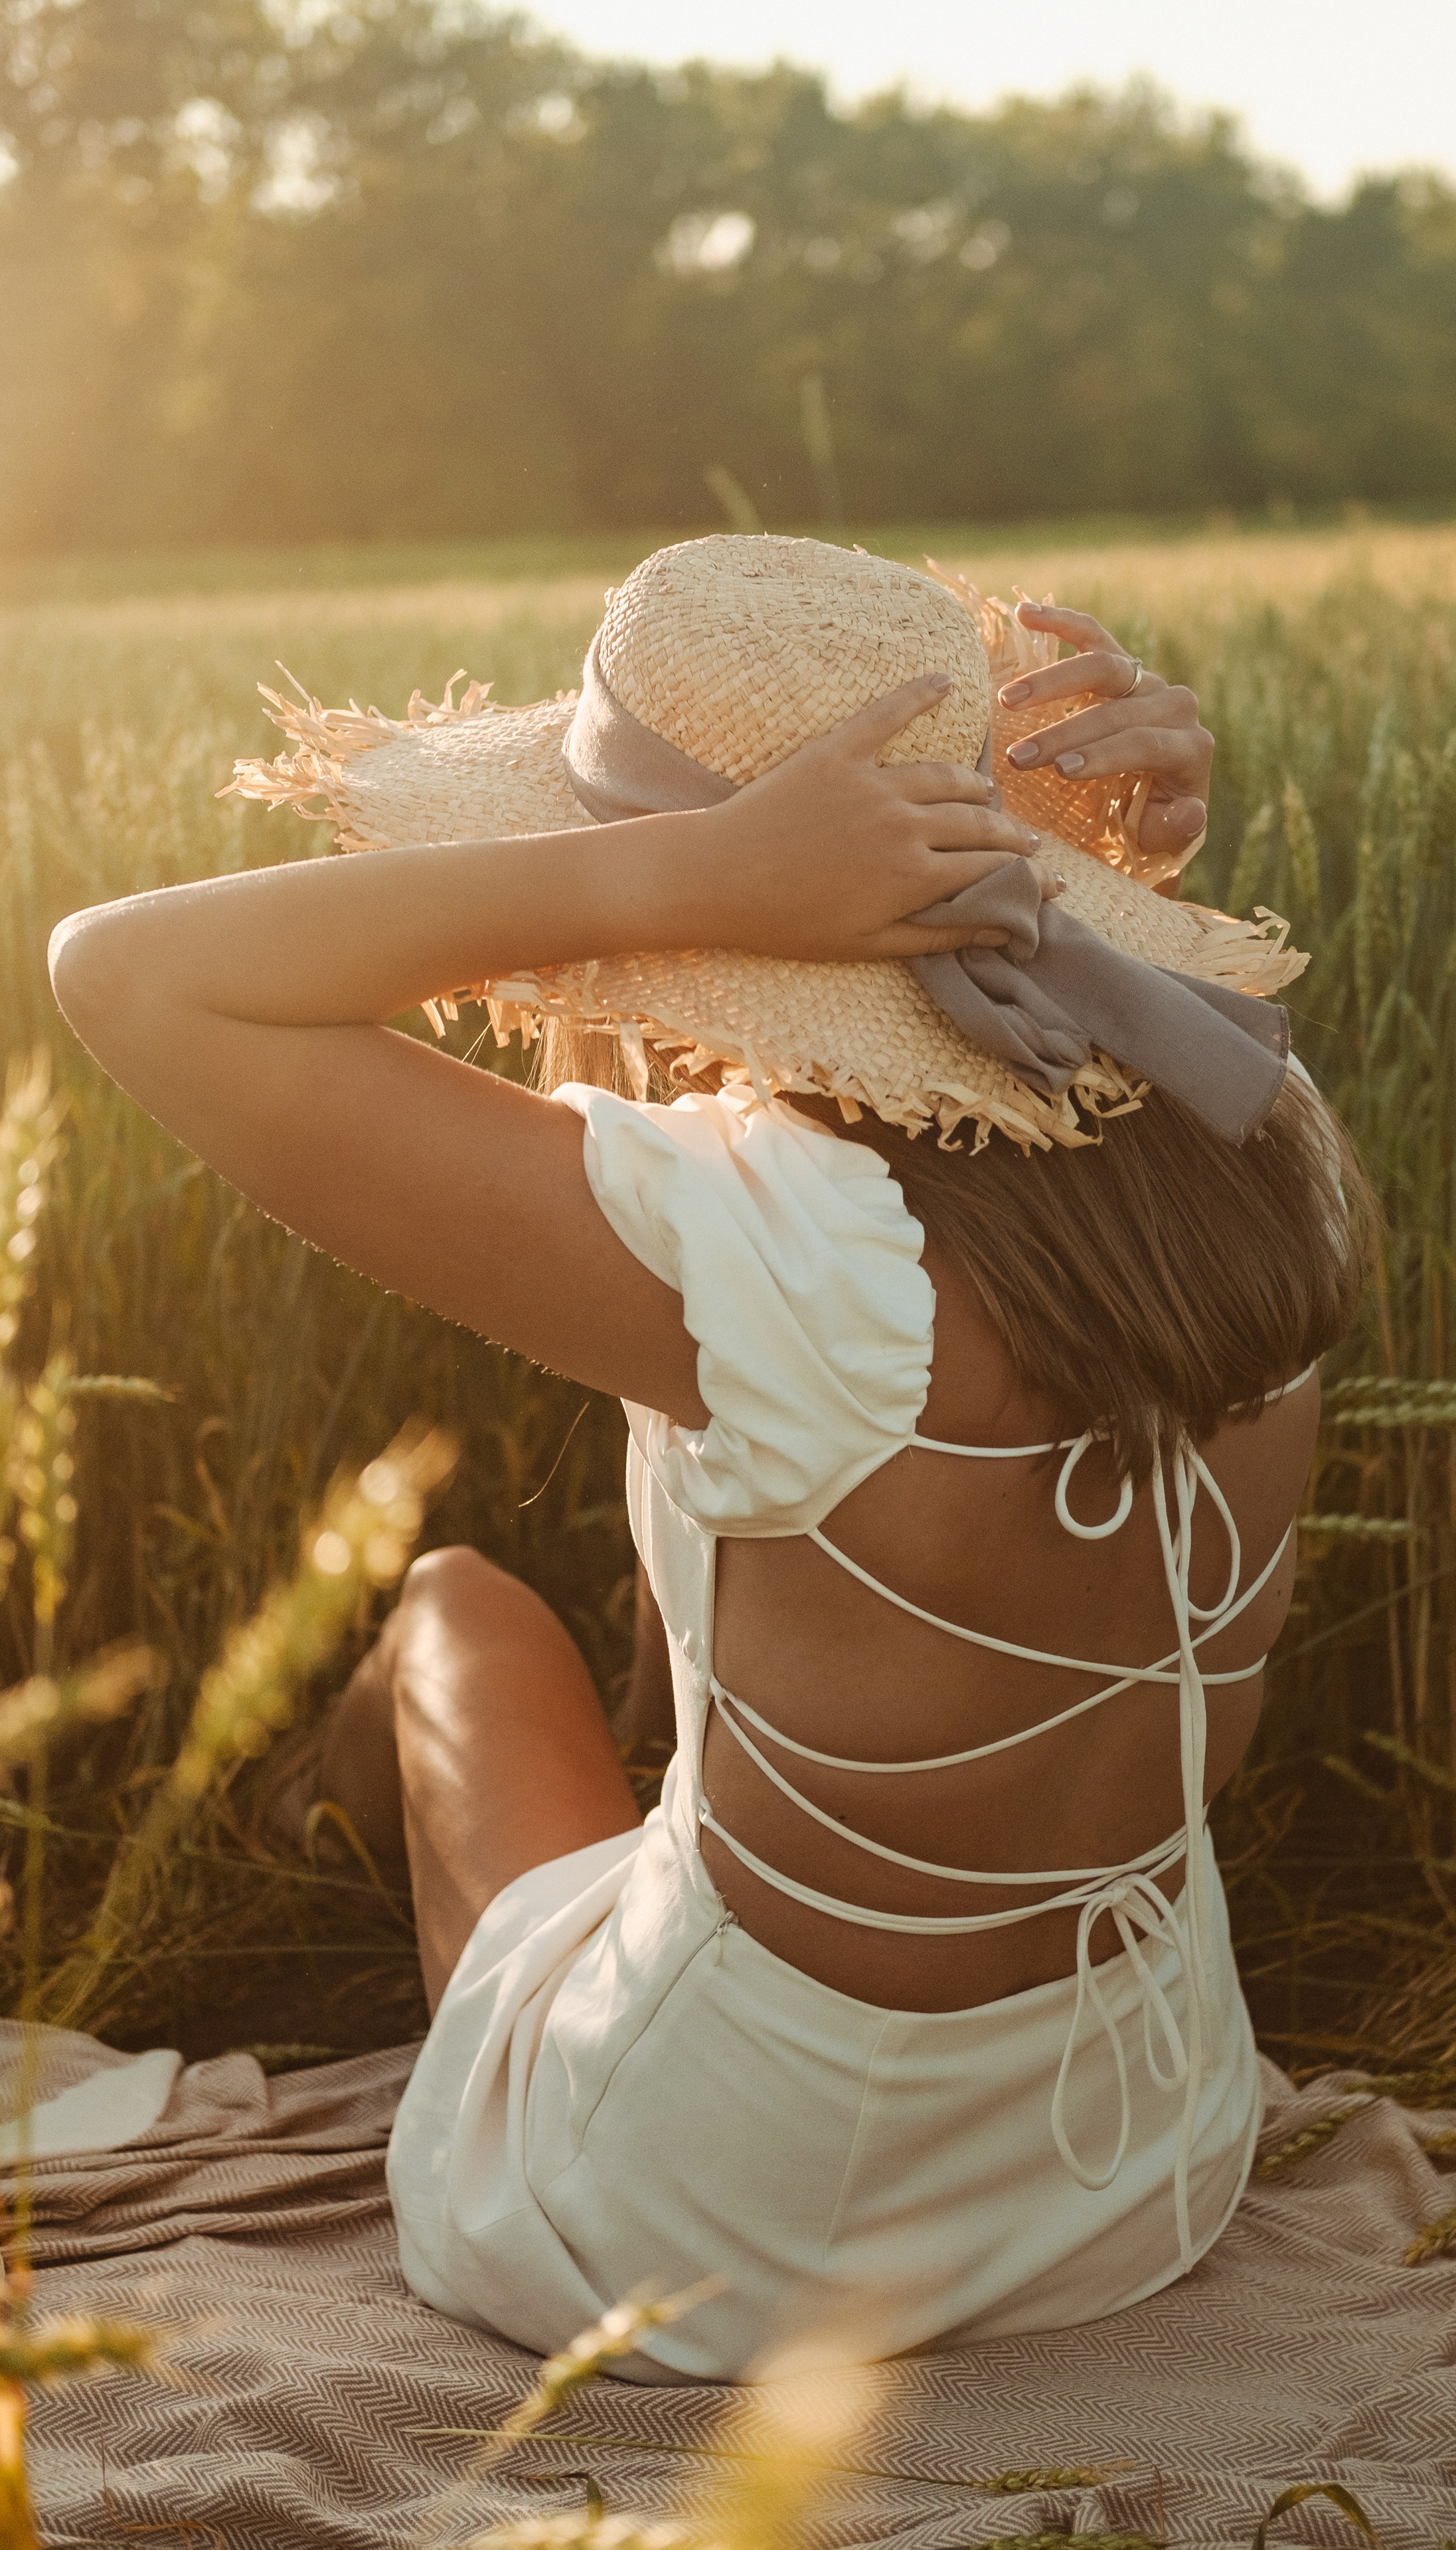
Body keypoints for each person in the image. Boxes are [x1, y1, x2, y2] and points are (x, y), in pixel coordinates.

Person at [50, 536, 1372, 2383]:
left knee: (449, 1609)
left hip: (720, 2230)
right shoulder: (1257, 1125)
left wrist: (668, 865)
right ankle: (355, 1845)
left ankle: (279, 1839)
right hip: (1132, 2164)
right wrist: (1058, 875)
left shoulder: (777, 1247)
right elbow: (1047, 1060)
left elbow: (119, 969)